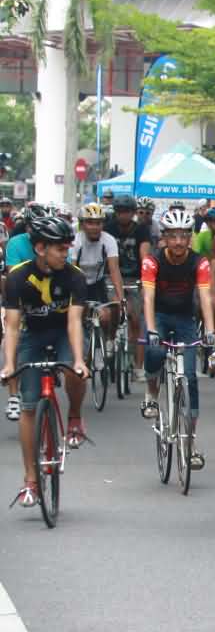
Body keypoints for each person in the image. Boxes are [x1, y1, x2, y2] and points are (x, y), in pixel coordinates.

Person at [1, 214, 88, 506]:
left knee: (77, 372)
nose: (67, 253)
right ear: (41, 249)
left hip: (63, 332)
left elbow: (75, 322)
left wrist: (78, 360)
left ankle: (74, 416)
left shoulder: (75, 276)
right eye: (60, 249)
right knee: (28, 407)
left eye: (67, 248)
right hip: (32, 336)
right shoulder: (17, 278)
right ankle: (30, 481)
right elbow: (12, 326)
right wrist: (9, 365)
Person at [141, 209, 215, 464]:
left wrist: (210, 331)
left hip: (186, 319)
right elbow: (148, 298)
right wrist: (151, 329)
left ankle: (191, 441)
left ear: (190, 238)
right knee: (155, 352)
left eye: (183, 236)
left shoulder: (199, 262)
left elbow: (205, 297)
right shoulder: (152, 261)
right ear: (164, 237)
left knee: (191, 378)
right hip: (160, 316)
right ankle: (151, 393)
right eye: (172, 236)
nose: (178, 242)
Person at [68, 203, 124, 364]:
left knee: (108, 315)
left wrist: (121, 298)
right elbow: (72, 269)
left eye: (98, 223)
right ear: (82, 224)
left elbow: (114, 270)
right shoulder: (76, 240)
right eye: (90, 223)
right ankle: (84, 347)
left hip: (98, 282)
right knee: (80, 315)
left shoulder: (109, 240)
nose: (94, 227)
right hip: (78, 281)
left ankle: (109, 339)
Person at [109, 195, 153, 384]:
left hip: (135, 278)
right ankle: (109, 341)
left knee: (136, 321)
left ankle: (138, 367)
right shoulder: (108, 228)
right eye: (119, 211)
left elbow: (144, 255)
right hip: (111, 277)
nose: (123, 215)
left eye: (127, 211)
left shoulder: (141, 230)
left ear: (133, 213)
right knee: (111, 312)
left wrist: (145, 281)